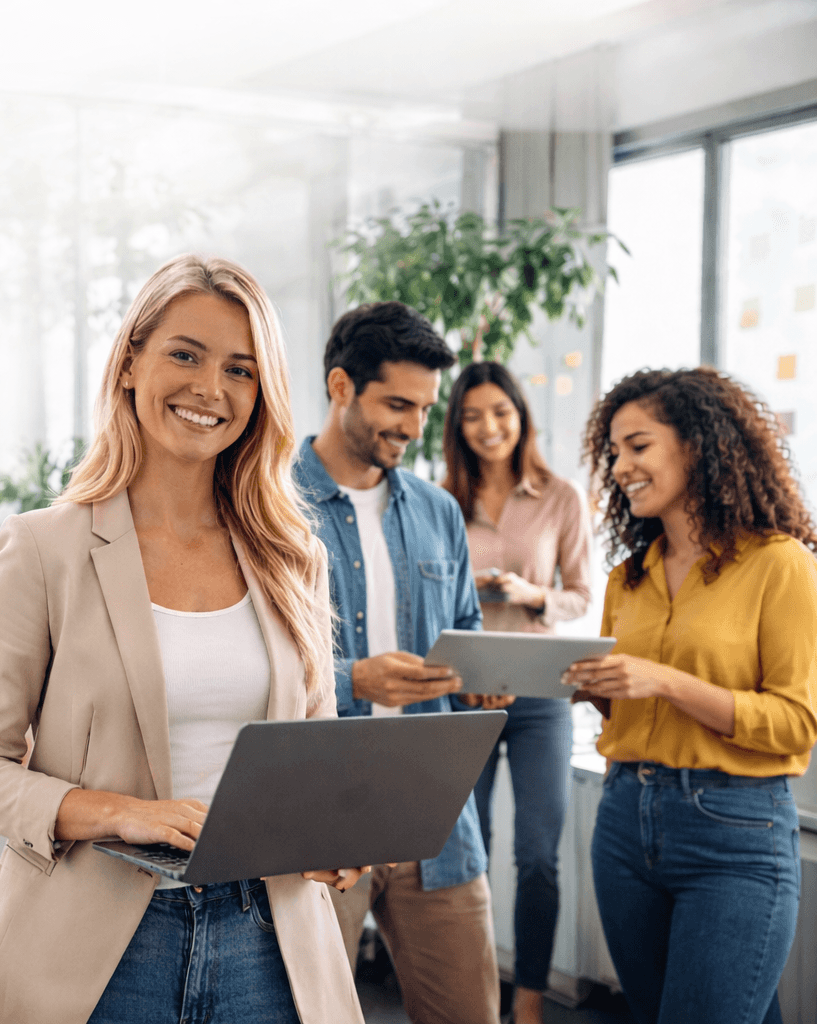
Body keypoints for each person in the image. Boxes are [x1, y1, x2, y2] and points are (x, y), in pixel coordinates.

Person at [0, 254, 364, 1024]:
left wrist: (327, 831)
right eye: (185, 354)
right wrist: (117, 812)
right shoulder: (44, 547)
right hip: (97, 952)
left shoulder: (294, 553)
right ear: (130, 361)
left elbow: (313, 754)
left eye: (240, 369)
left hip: (267, 945)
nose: (211, 389)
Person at [564, 368, 817, 1024]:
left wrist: (664, 681)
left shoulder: (780, 564)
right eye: (613, 451)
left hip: (734, 830)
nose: (620, 466)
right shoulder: (629, 576)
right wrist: (594, 689)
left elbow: (795, 724)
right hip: (623, 821)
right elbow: (630, 706)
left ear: (699, 445)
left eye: (638, 446)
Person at [294, 301, 500, 1024]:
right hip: (319, 811)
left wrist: (477, 679)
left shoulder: (438, 509)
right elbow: (242, 660)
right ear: (341, 385)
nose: (414, 427)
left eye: (423, 408)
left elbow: (465, 626)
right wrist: (355, 679)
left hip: (432, 813)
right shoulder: (267, 503)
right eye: (397, 404)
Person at [443, 361, 591, 1024]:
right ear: (456, 426)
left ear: (520, 414)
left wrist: (534, 595)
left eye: (499, 411)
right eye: (471, 415)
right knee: (462, 848)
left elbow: (582, 594)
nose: (487, 427)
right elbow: (429, 595)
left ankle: (529, 994)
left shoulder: (561, 497)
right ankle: (469, 984)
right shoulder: (441, 501)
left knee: (537, 854)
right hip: (465, 691)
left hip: (537, 697)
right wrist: (468, 592)